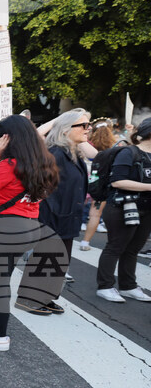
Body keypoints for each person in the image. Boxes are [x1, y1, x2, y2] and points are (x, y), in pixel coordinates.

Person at [0, 116, 60, 350]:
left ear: (8, 139)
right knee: (0, 275)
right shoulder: (44, 162)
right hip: (27, 225)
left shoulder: (11, 164)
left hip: (3, 227)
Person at [23, 109, 91, 312]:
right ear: (64, 130)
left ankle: (45, 297)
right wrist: (50, 212)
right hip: (53, 217)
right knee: (47, 259)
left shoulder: (73, 152)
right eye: (84, 126)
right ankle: (30, 299)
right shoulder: (55, 153)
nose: (88, 130)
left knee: (59, 261)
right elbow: (40, 185)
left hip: (67, 216)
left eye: (89, 125)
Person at [95, 118, 151, 303]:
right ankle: (105, 286)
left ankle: (128, 286)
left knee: (133, 249)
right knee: (115, 247)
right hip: (121, 206)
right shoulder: (129, 152)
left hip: (146, 209)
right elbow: (117, 181)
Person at [79, 123, 117, 250]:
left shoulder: (85, 144)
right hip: (101, 183)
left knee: (75, 206)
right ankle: (85, 243)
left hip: (85, 179)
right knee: (95, 213)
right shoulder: (114, 148)